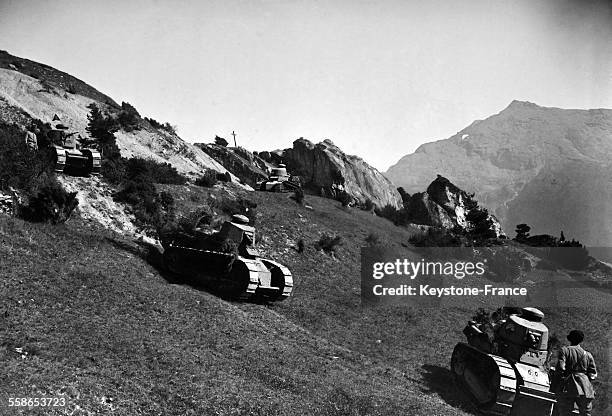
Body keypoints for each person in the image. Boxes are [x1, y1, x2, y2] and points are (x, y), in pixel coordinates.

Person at [556, 329, 597, 416]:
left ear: (570, 339)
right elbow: (593, 374)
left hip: (569, 384)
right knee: (586, 413)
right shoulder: (588, 354)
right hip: (585, 386)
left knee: (565, 411)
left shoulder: (565, 350)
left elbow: (561, 368)